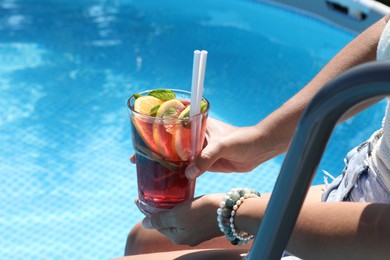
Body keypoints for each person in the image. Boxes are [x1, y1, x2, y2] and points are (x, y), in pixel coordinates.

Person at [122, 13, 390, 259]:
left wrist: (235, 213)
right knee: (144, 239)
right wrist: (260, 140)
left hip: (372, 239)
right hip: (362, 184)